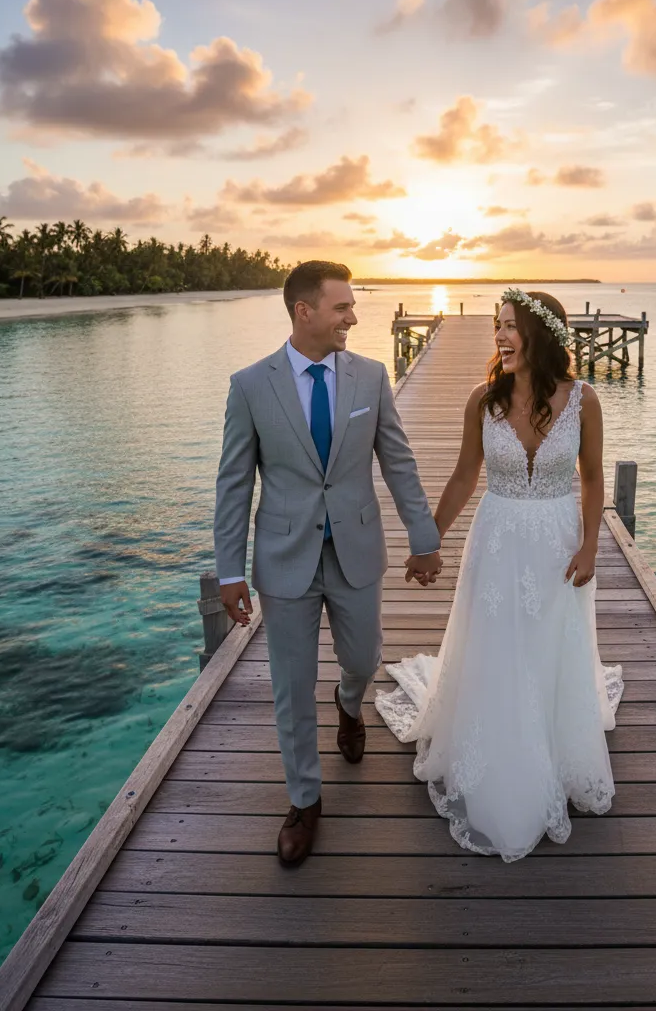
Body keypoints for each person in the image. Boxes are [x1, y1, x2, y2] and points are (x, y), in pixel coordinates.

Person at [376, 288, 624, 862]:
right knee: (500, 645)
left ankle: (552, 744)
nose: (500, 336)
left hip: (559, 541)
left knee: (547, 646)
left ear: (540, 334)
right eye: (497, 326)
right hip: (498, 540)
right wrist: (427, 540)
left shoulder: (584, 400)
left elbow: (591, 479)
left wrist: (591, 546)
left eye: (510, 326)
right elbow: (465, 476)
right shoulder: (482, 401)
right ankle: (501, 755)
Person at [213, 260, 442, 868]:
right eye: (342, 307)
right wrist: (230, 571)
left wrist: (424, 536)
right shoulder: (250, 386)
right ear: (304, 311)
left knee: (365, 656)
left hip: (356, 549)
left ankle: (348, 702)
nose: (354, 317)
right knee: (290, 686)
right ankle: (304, 800)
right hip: (284, 560)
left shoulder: (370, 377)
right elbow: (234, 484)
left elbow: (398, 460)